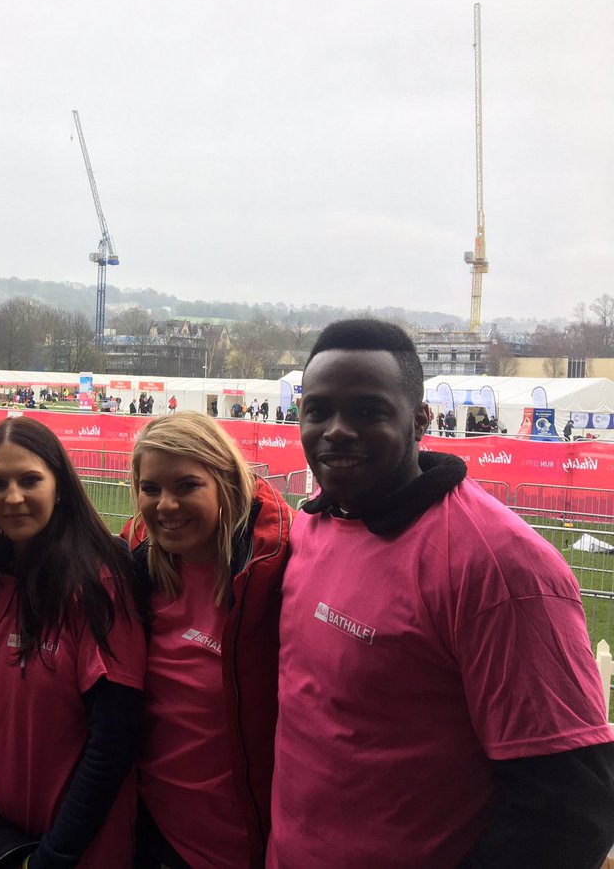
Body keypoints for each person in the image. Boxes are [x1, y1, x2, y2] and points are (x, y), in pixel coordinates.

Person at [270, 318, 614, 868]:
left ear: (420, 421)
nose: (336, 430)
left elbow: (568, 813)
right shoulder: (312, 527)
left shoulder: (503, 567)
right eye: (317, 411)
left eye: (368, 411)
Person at [0, 418, 146, 867]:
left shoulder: (99, 582)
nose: (12, 497)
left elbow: (114, 740)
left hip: (77, 852)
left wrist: (55, 855)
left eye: (30, 480)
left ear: (60, 486)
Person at [126, 413, 292, 869]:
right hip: (145, 834)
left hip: (243, 846)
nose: (165, 506)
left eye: (186, 486)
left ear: (226, 484)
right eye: (151, 489)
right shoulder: (134, 565)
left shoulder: (280, 572)